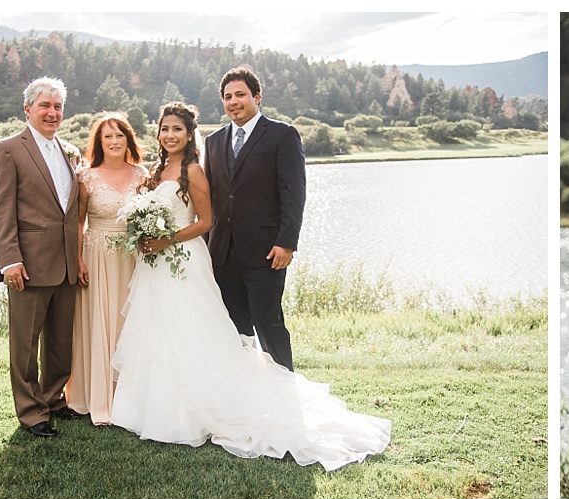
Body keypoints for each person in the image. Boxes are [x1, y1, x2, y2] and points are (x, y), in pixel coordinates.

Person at [107, 103, 390, 468]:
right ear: (157, 133)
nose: (170, 135)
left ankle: (220, 405)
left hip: (183, 257)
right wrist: (145, 232)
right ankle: (159, 410)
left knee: (194, 329)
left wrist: (167, 239)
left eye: (177, 129)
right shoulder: (155, 169)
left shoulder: (193, 170)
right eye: (164, 129)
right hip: (157, 264)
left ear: (189, 134)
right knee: (161, 330)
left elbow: (206, 220)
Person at [0, 76, 83, 439]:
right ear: (28, 109)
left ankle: (53, 399)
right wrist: (9, 260)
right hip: (28, 264)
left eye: (57, 106)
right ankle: (31, 413)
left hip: (66, 265)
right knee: (25, 344)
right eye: (44, 105)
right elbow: (1, 211)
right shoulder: (8, 149)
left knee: (61, 340)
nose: (52, 112)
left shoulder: (67, 151)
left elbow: (69, 212)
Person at [204, 67, 307, 371]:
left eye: (240, 95)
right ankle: (243, 391)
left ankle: (285, 389)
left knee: (268, 323)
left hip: (266, 252)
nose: (233, 101)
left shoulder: (282, 135)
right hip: (222, 253)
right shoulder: (213, 142)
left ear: (257, 97)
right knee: (233, 329)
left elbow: (294, 192)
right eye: (227, 97)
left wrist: (286, 243)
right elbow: (211, 197)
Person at [69, 113, 146, 425]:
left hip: (132, 257)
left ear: (128, 139)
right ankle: (97, 396)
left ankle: (132, 396)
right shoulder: (86, 177)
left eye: (119, 136)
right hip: (96, 255)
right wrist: (77, 259)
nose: (114, 142)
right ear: (99, 143)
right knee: (100, 320)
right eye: (108, 137)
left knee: (129, 321)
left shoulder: (142, 174)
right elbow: (77, 222)